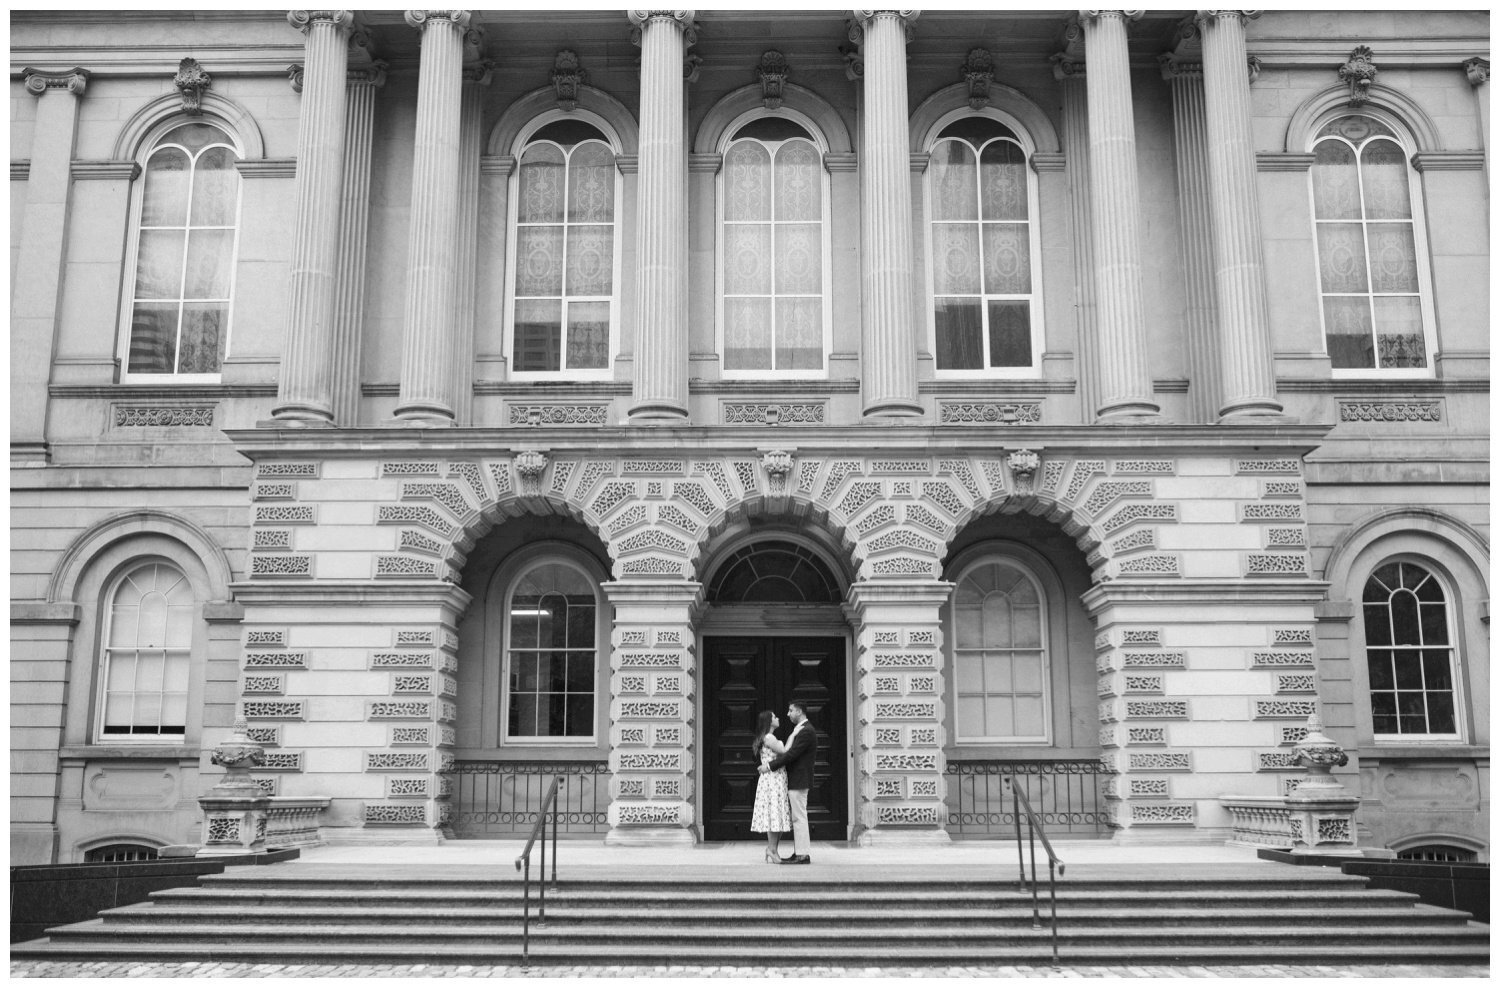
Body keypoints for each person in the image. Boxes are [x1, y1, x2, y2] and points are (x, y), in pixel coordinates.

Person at [760, 700, 817, 864]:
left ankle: (803, 854)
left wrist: (769, 766)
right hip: (796, 780)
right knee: (797, 818)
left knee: (799, 818)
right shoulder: (802, 730)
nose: (787, 714)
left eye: (790, 710)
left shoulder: (806, 731)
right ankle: (799, 852)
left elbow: (791, 754)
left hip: (799, 780)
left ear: (799, 711)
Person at [748, 710, 791, 863]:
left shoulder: (766, 737)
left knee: (776, 816)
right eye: (774, 717)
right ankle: (772, 850)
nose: (778, 718)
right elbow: (784, 751)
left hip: (774, 778)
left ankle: (772, 850)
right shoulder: (769, 737)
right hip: (773, 780)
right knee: (774, 815)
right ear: (768, 721)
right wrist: (791, 738)